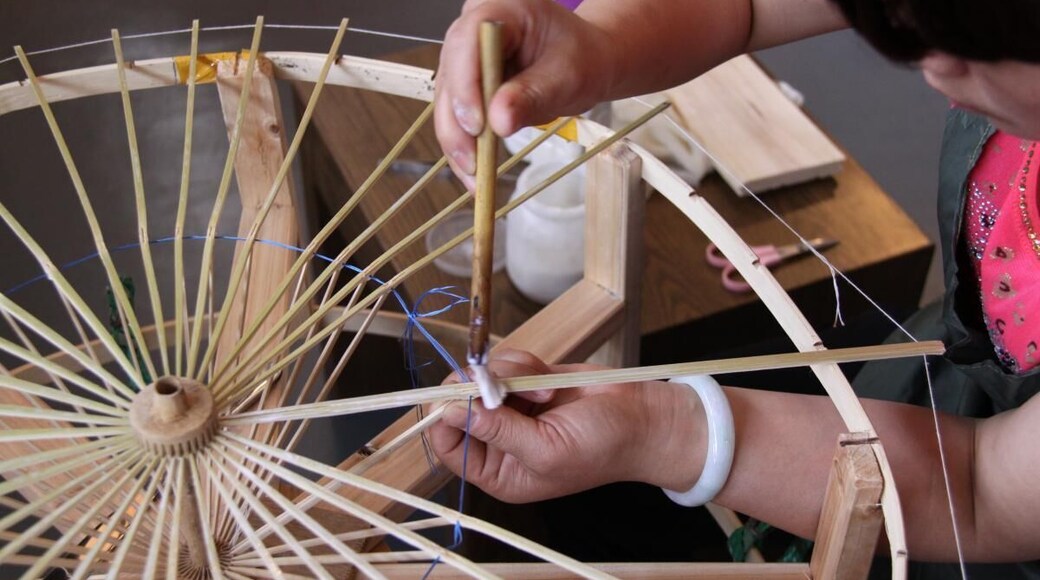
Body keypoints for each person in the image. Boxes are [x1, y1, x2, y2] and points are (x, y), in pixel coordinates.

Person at [428, 0, 1040, 576]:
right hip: (954, 372)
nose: (931, 65)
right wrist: (600, 42)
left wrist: (661, 431)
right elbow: (746, 7)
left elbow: (980, 489)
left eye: (982, 42)